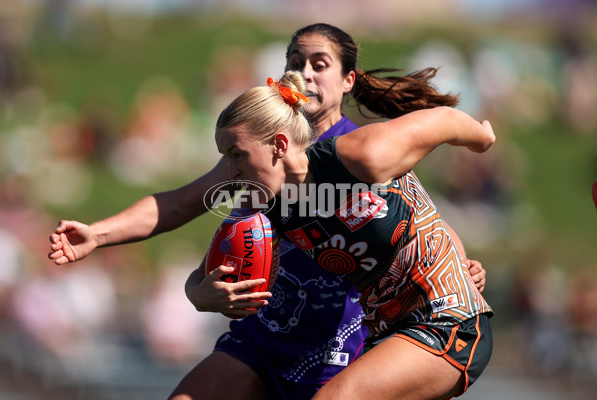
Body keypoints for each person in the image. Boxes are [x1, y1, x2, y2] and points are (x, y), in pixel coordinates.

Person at [49, 24, 487, 400]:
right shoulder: (262, 178)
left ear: (348, 80)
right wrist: (190, 290)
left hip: (367, 339)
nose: (304, 72)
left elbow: (438, 135)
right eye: (294, 61)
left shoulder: (362, 151)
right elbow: (183, 205)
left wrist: (480, 138)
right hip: (273, 334)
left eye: (319, 63)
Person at [211, 70, 494, 400]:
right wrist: (203, 296)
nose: (231, 173)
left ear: (279, 145)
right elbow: (205, 275)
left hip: (448, 321)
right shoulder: (265, 205)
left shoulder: (360, 155)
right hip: (386, 335)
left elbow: (444, 120)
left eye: (236, 155)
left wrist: (483, 138)